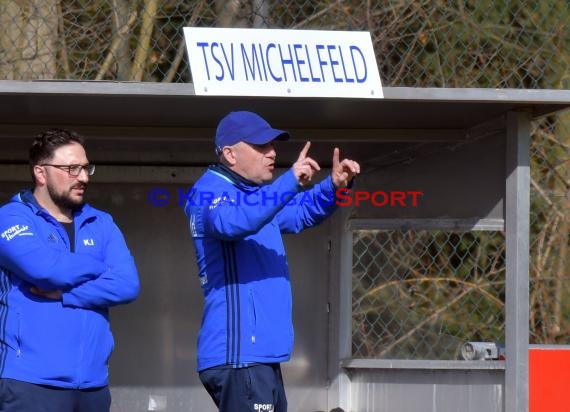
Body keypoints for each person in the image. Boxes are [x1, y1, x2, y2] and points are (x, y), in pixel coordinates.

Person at [184, 111, 360, 412]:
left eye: (272, 145)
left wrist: (334, 186)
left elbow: (301, 212)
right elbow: (235, 222)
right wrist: (290, 181)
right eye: (261, 146)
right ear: (229, 154)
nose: (272, 153)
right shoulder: (209, 191)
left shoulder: (256, 196)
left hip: (260, 358)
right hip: (239, 357)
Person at [0, 129, 140, 412]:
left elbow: (128, 284)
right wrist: (100, 266)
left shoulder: (101, 222)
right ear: (41, 173)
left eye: (86, 168)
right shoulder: (11, 217)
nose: (84, 177)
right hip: (30, 383)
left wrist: (66, 295)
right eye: (71, 168)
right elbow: (46, 271)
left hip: (93, 386)